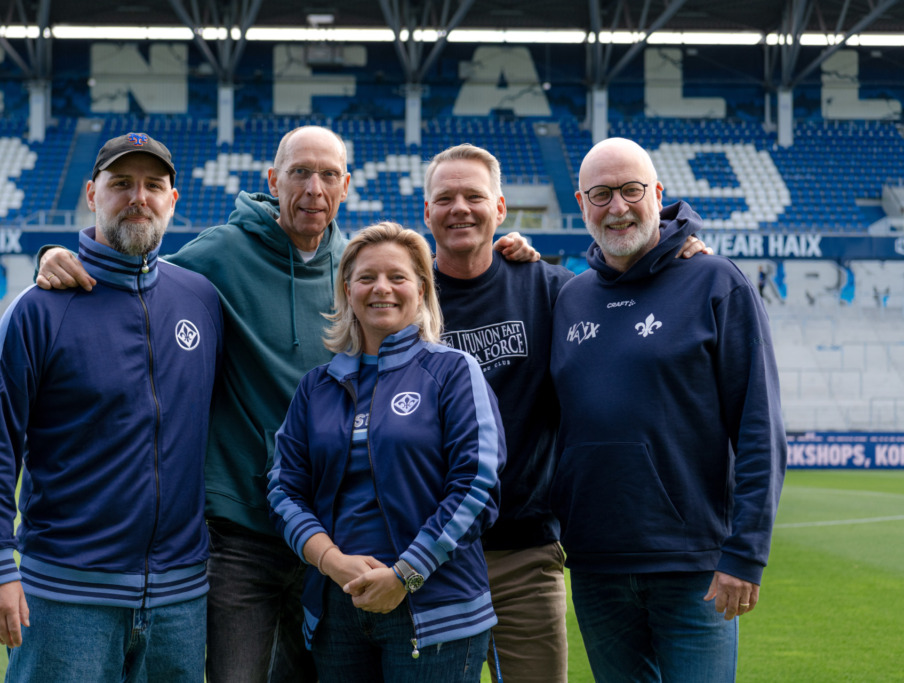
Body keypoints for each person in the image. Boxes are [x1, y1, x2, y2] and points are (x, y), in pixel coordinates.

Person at [35, 125, 535, 682]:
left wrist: (508, 254)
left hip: (334, 543)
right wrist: (57, 256)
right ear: (273, 181)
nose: (313, 188)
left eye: (328, 175)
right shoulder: (218, 256)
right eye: (299, 173)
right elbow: (138, 272)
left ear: (346, 186)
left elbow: (422, 284)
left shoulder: (354, 264)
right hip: (243, 534)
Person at [424, 143, 710, 683]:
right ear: (427, 212)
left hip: (526, 553)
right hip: (428, 551)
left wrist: (677, 252)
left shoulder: (554, 291)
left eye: (474, 196)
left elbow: (629, 293)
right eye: (445, 198)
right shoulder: (406, 297)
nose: (460, 208)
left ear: (500, 208)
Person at [0, 132, 224, 681]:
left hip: (180, 599)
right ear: (91, 194)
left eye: (153, 185)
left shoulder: (200, 299)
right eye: (121, 183)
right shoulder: (38, 309)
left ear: (173, 200)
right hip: (65, 595)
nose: (138, 197)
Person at [549, 137, 787, 683]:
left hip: (693, 566)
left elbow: (759, 427)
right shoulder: (570, 298)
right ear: (582, 204)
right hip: (596, 565)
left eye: (631, 190)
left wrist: (746, 554)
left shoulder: (716, 282)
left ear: (657, 194)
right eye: (601, 194)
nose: (618, 207)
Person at [266, 222, 505, 681]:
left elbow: (478, 485)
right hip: (338, 609)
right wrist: (332, 562)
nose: (382, 288)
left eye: (397, 277)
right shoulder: (316, 387)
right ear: (347, 290)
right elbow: (283, 490)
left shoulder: (453, 371)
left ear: (421, 289)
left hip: (435, 612)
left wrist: (406, 575)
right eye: (366, 277)